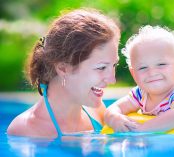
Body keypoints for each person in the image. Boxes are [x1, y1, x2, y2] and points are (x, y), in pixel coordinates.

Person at [7, 8, 120, 138]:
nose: (112, 80)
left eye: (114, 65)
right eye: (101, 67)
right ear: (63, 68)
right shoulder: (26, 130)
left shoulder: (98, 112)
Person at [104, 25, 174, 133]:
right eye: (143, 67)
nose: (152, 73)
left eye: (161, 64)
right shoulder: (140, 94)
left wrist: (141, 130)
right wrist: (115, 118)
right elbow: (112, 109)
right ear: (133, 73)